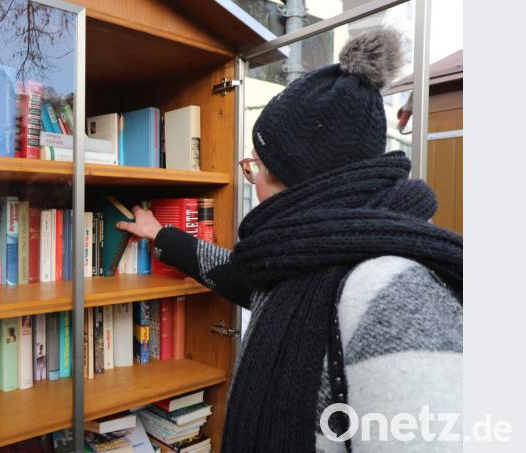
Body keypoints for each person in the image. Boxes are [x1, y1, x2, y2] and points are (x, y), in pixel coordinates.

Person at [117, 29, 462, 452]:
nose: (253, 181)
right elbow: (239, 278)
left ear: (298, 178)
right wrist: (161, 234)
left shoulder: (390, 289)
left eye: (256, 167)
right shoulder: (303, 258)